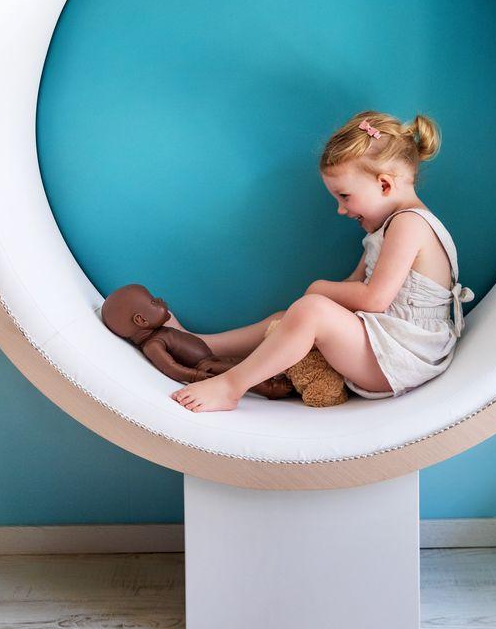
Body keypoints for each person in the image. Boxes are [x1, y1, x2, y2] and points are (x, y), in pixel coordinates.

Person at [168, 109, 474, 413]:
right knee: (290, 317)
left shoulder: (409, 224)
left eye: (345, 196)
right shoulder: (387, 227)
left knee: (310, 311)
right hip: (385, 345)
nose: (341, 210)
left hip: (405, 357)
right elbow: (354, 284)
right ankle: (200, 345)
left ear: (384, 185)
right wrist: (316, 302)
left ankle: (230, 387)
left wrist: (318, 289)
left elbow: (374, 299)